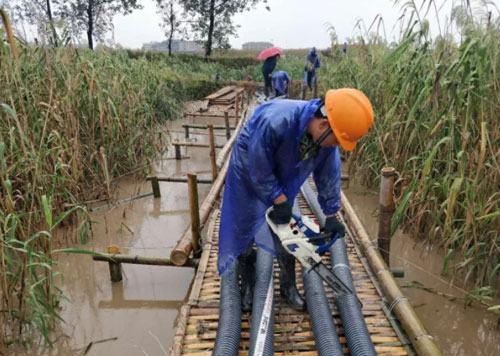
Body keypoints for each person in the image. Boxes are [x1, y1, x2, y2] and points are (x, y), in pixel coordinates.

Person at [217, 88, 374, 311]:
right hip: (249, 165)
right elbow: (259, 167)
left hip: (284, 169)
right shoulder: (276, 120)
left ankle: (288, 286)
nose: (335, 146)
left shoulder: (325, 139)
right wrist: (278, 198)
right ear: (323, 124)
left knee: (286, 230)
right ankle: (249, 284)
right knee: (244, 224)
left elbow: (329, 173)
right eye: (337, 141)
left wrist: (330, 213)